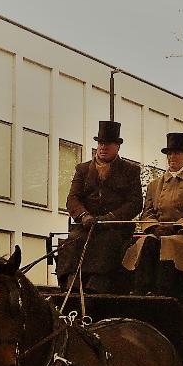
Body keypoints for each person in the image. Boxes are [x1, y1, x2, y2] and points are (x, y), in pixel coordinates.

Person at [123, 132, 183, 307]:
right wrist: (154, 227)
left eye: (176, 153)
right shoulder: (154, 185)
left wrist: (175, 228)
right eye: (169, 153)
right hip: (159, 233)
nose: (172, 157)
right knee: (146, 242)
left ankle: (164, 292)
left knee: (168, 244)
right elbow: (147, 213)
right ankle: (141, 291)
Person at [55, 120, 142, 294]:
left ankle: (97, 283)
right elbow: (72, 198)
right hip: (86, 225)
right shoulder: (82, 169)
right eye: (100, 143)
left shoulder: (130, 170)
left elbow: (135, 203)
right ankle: (71, 282)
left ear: (117, 147)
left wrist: (110, 218)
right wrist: (84, 216)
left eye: (107, 144)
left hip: (115, 228)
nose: (103, 147)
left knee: (107, 241)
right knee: (73, 240)